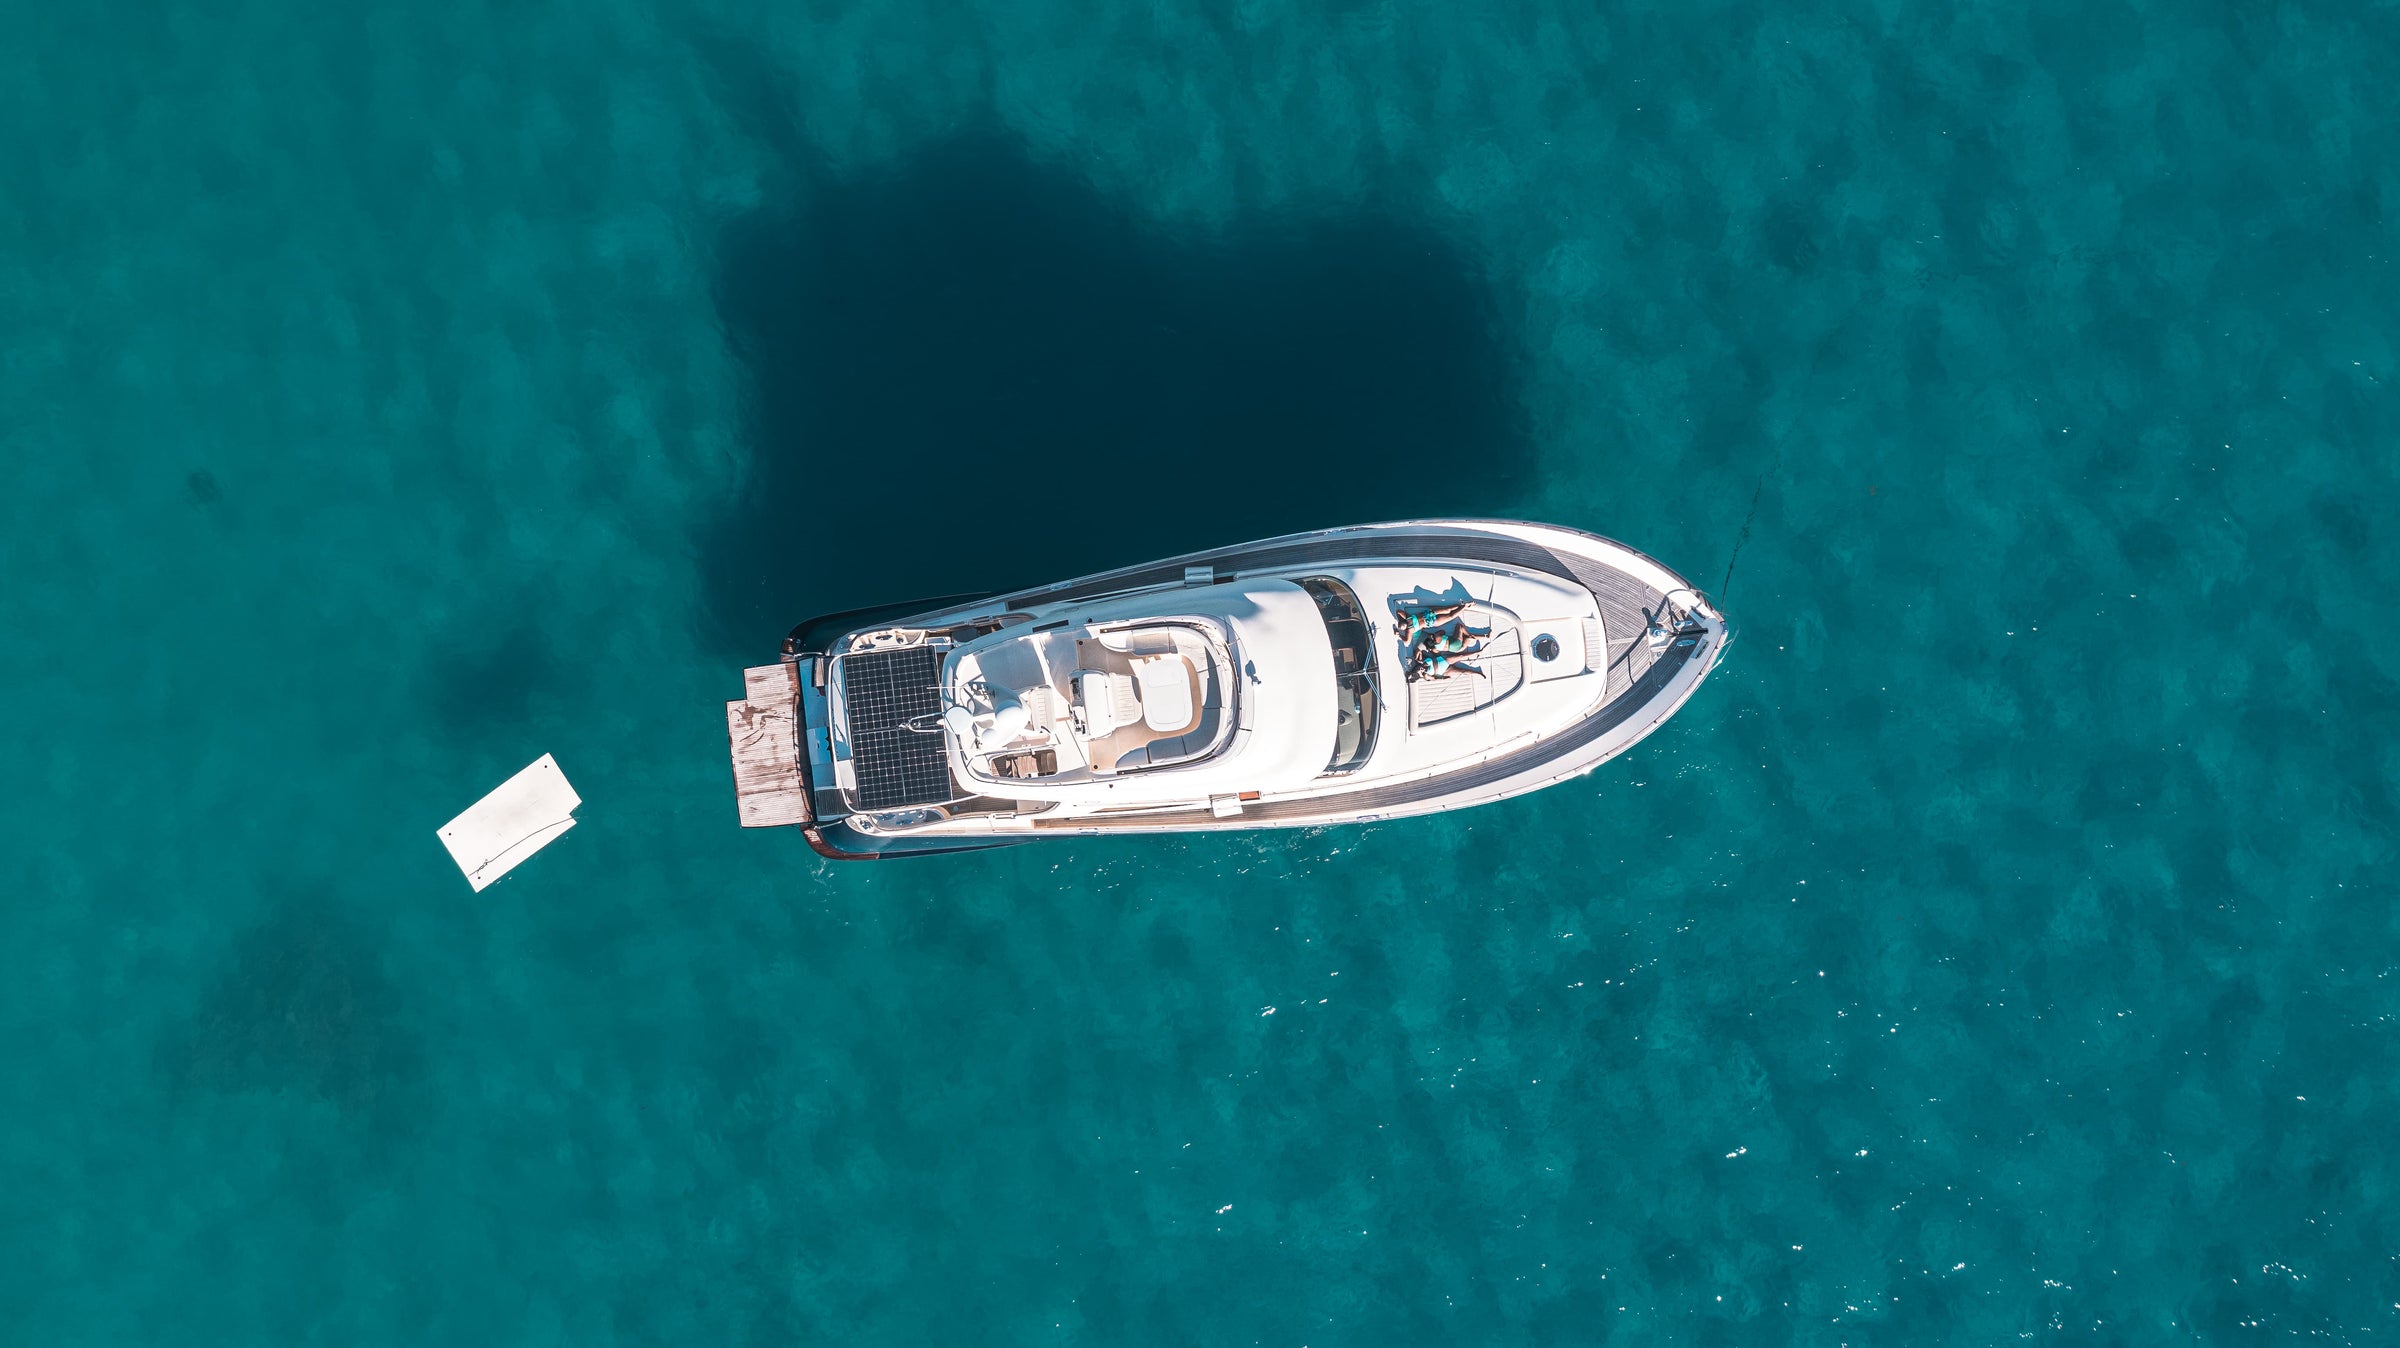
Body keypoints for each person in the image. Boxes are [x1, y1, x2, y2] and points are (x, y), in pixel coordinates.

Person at [1391, 600, 1471, 642]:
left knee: (1450, 615)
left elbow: (1407, 642)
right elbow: (1398, 611)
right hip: (1428, 614)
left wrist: (1399, 635)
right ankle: (1463, 605)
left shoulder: (1409, 630)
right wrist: (1399, 619)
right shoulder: (1407, 617)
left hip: (1430, 621)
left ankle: (1464, 606)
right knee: (1448, 609)